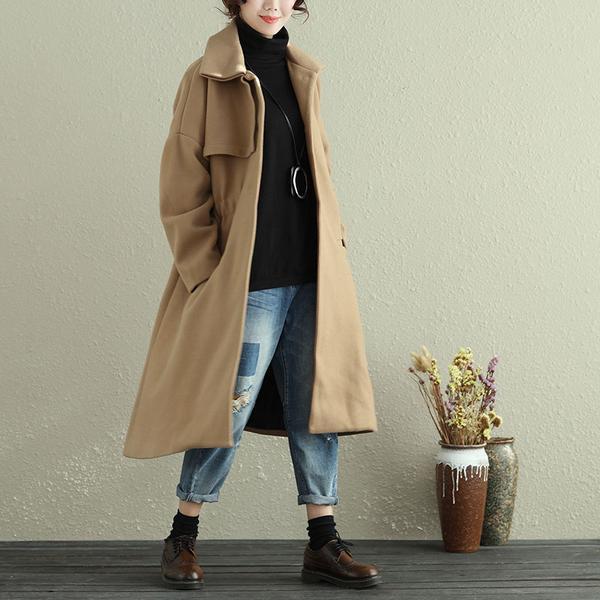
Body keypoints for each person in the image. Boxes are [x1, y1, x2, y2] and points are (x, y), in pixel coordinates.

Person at [158, 0, 381, 590]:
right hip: (248, 281)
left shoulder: (303, 72)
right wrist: (208, 272)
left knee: (317, 408)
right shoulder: (208, 76)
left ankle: (323, 541)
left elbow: (320, 166)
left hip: (312, 274)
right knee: (224, 409)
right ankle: (182, 536)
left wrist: (335, 242)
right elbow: (182, 183)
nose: (273, 3)